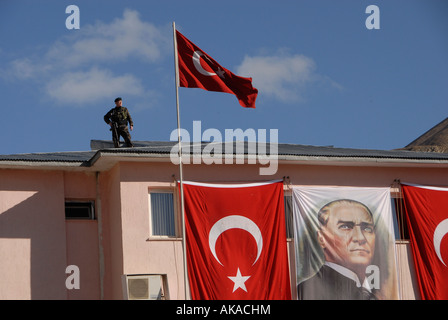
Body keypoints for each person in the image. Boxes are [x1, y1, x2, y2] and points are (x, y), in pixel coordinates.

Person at [298, 199, 378, 300]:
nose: (360, 238)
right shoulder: (309, 290)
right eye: (345, 227)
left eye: (367, 229)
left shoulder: (370, 292)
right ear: (321, 238)